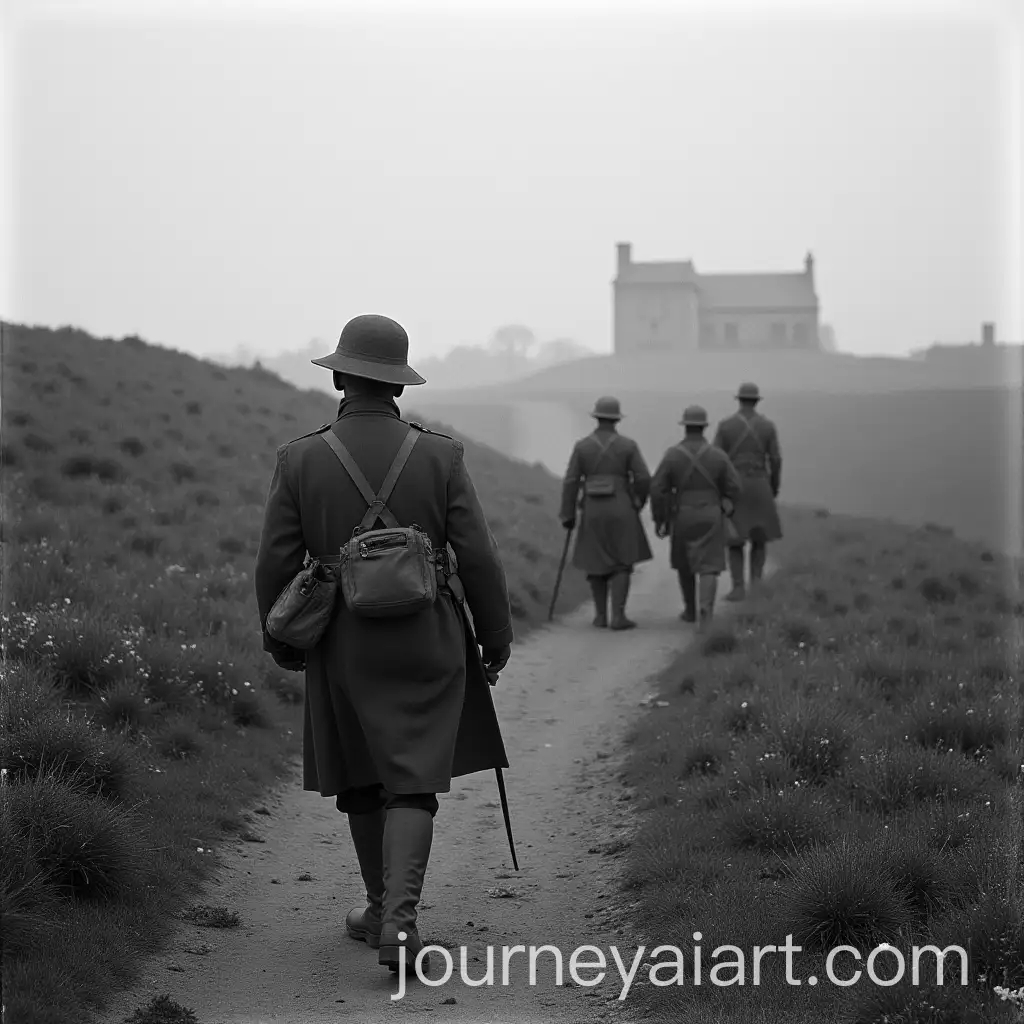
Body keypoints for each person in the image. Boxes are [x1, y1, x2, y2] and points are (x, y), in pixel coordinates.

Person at [254, 314, 513, 977]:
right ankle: (399, 922)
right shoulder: (441, 455)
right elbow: (479, 558)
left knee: (363, 778)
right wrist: (495, 636)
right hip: (431, 635)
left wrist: (282, 640)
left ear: (339, 378)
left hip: (343, 640)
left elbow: (273, 563)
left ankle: (378, 910)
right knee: (414, 781)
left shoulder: (299, 458)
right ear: (398, 384)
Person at [558, 396, 653, 630]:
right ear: (617, 419)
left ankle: (600, 616)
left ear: (597, 417)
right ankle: (618, 616)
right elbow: (643, 477)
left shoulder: (582, 446)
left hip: (592, 509)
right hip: (622, 506)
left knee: (595, 560)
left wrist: (568, 514)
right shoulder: (628, 446)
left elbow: (571, 481)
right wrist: (638, 500)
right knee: (622, 562)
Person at [650, 405, 743, 623]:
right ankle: (706, 611)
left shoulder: (673, 455)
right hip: (711, 513)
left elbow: (657, 489)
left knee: (684, 564)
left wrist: (660, 518)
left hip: (682, 514)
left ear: (685, 426)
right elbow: (736, 487)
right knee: (709, 566)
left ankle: (690, 610)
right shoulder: (718, 456)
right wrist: (727, 504)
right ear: (704, 427)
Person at [712, 382, 783, 601]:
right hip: (760, 483)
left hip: (734, 485)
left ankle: (738, 588)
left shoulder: (726, 426)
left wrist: (719, 489)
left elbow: (716, 459)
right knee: (759, 538)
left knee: (734, 539)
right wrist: (773, 486)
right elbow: (776, 459)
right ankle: (756, 586)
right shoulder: (768, 426)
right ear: (756, 401)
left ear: (739, 400)